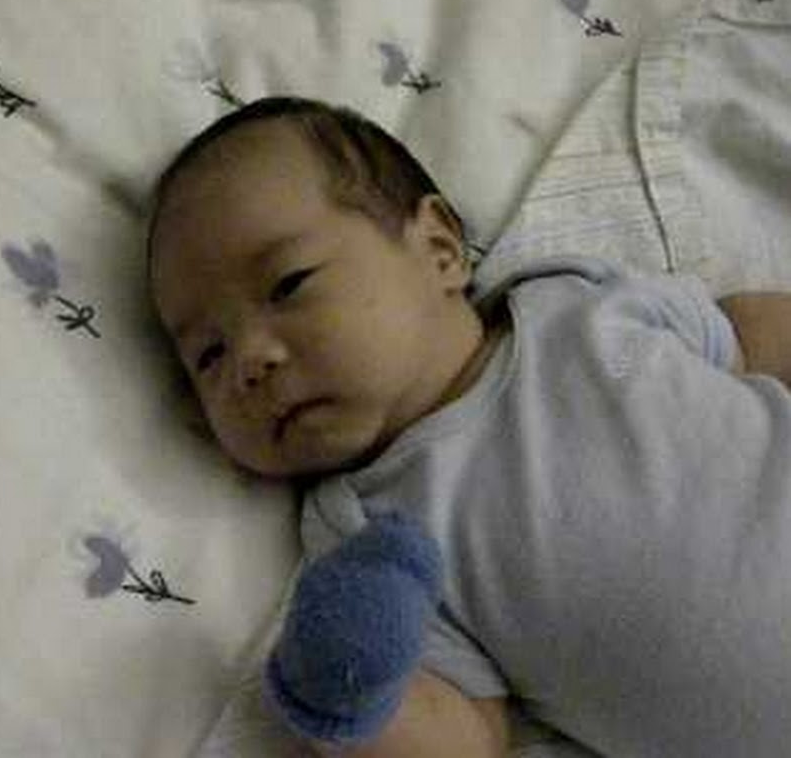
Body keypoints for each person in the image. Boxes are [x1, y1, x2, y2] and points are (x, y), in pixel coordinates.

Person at [146, 95, 791, 757]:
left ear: (439, 249)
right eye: (208, 354)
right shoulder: (369, 536)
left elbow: (746, 337)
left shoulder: (575, 308)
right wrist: (354, 691)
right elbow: (470, 738)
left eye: (288, 284)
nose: (248, 361)